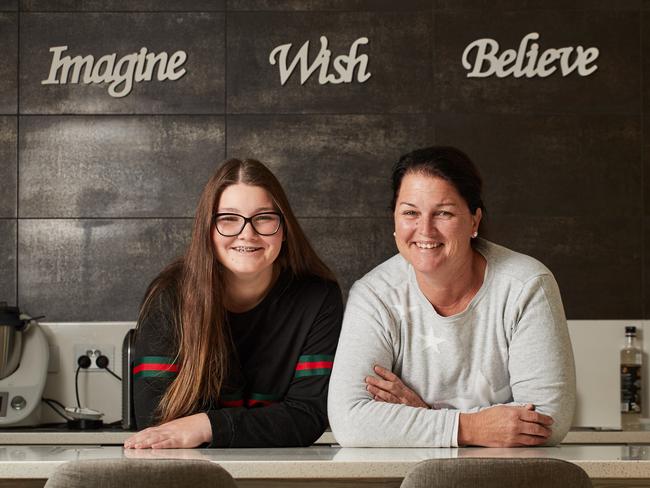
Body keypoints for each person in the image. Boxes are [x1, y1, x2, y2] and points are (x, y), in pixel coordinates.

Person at [328, 146, 575, 448]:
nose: (425, 230)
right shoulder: (374, 295)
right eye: (410, 213)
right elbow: (349, 421)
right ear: (394, 220)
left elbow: (548, 421)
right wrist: (469, 428)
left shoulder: (526, 286)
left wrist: (424, 416)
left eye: (443, 213)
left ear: (474, 221)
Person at [124, 158, 343, 449]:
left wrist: (207, 425)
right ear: (208, 229)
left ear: (284, 227)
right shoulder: (169, 297)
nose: (247, 234)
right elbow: (158, 424)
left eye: (264, 217)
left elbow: (307, 416)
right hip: (190, 473)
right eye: (228, 218)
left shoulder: (318, 298)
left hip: (282, 473)